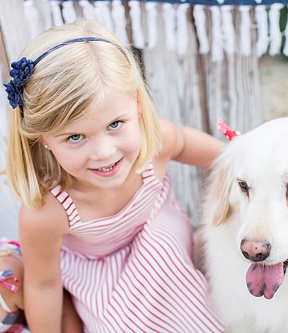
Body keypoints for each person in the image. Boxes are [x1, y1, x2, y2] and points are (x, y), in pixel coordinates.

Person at [4, 19, 225, 332]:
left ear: (135, 104)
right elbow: (43, 287)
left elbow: (209, 151)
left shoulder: (156, 143)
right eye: (75, 137)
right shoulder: (47, 212)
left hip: (166, 250)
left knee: (169, 258)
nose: (104, 152)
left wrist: (247, 157)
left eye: (115, 125)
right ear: (43, 138)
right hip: (109, 286)